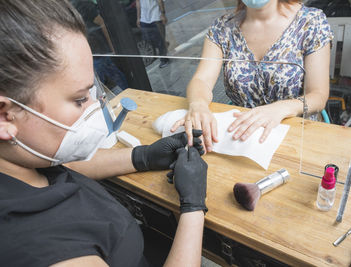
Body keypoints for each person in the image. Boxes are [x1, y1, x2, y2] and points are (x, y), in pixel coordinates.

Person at [0, 1, 207, 266]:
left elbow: (65, 167)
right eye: (79, 100)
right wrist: (193, 207)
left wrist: (142, 156)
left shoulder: (22, 163)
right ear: (6, 116)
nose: (95, 107)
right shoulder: (40, 249)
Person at [171, 0, 333, 154]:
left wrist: (282, 108)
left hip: (299, 136)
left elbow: (318, 95)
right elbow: (202, 80)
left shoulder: (311, 23)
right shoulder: (222, 28)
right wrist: (198, 104)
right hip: (243, 137)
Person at [136, 0, 169, 68]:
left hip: (156, 16)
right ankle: (164, 45)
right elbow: (138, 3)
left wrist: (163, 14)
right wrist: (138, 18)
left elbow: (160, 1)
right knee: (150, 40)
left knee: (160, 40)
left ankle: (164, 59)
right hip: (144, 18)